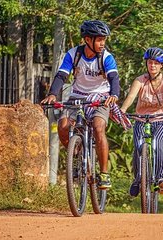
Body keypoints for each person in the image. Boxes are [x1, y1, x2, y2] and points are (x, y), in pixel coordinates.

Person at [41, 20, 119, 189]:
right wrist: (53, 94)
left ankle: (104, 174)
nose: (102, 43)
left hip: (100, 97)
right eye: (99, 39)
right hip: (77, 96)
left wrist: (114, 94)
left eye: (104, 39)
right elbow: (61, 75)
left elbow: (113, 77)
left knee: (99, 127)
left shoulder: (106, 57)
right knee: (62, 126)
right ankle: (75, 155)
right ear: (87, 40)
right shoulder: (73, 54)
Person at [120, 47, 163, 197]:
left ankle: (160, 178)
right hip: (141, 119)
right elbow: (131, 96)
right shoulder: (140, 80)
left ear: (162, 65)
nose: (152, 65)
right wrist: (123, 110)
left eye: (156, 63)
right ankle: (137, 179)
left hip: (160, 120)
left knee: (157, 145)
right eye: (150, 62)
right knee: (138, 147)